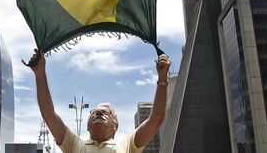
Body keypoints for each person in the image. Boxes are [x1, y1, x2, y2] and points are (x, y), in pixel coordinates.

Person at [30, 49, 171, 153]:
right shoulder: (73, 145)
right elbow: (48, 115)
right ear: (86, 126)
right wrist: (39, 73)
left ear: (116, 125)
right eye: (94, 112)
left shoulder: (127, 145)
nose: (98, 113)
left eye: (106, 113)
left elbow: (155, 120)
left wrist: (162, 79)